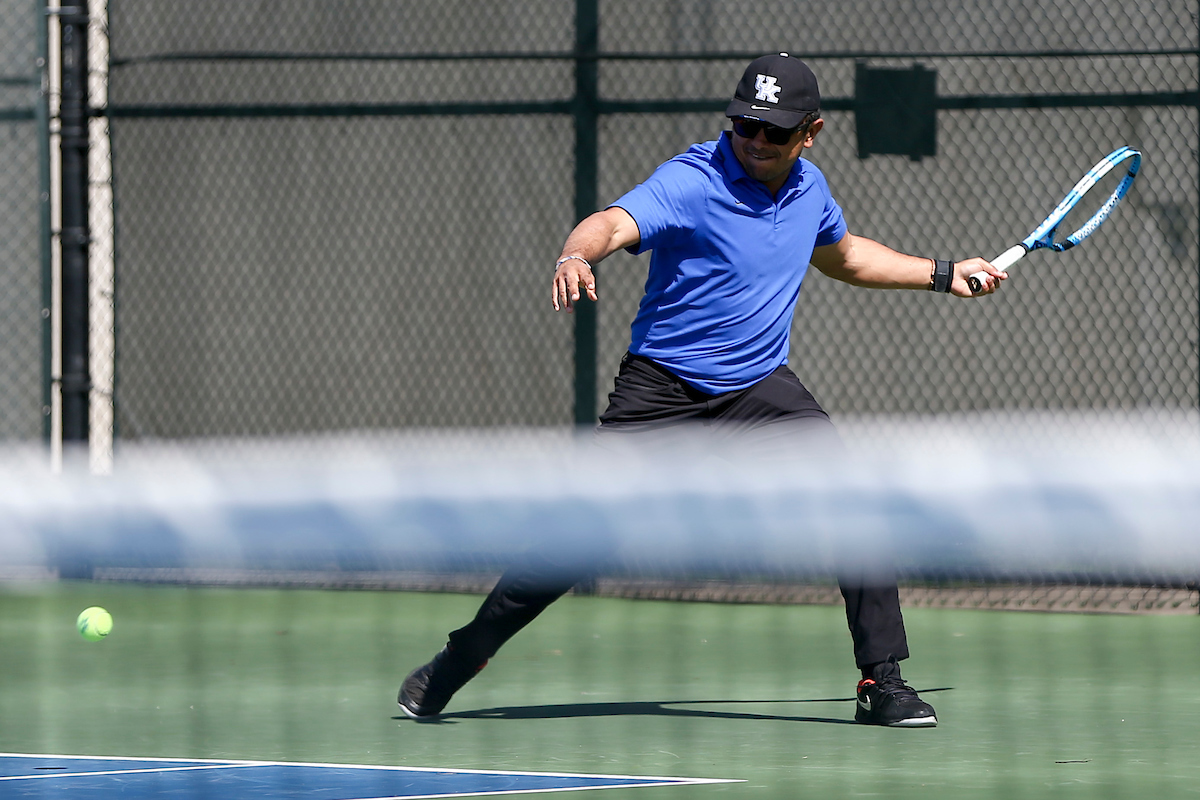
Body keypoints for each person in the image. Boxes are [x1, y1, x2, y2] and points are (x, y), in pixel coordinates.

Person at [398, 53, 1006, 727]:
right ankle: (462, 656)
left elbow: (847, 255)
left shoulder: (810, 190)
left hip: (758, 389)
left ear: (811, 132)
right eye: (745, 123)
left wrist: (941, 272)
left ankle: (881, 681)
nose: (755, 140)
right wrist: (576, 255)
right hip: (661, 389)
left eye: (775, 131)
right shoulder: (690, 180)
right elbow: (611, 224)